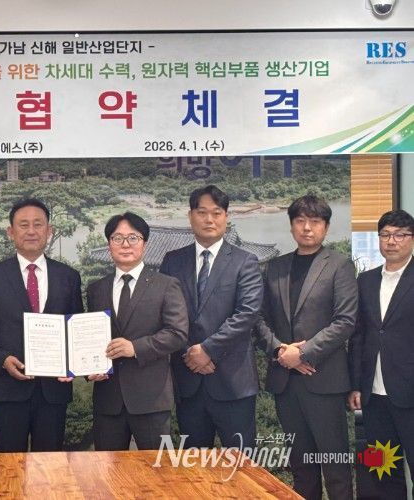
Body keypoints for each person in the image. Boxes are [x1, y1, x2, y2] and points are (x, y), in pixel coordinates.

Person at [255, 195, 356, 500]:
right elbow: (258, 318)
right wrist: (280, 352)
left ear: (326, 227)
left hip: (323, 380)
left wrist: (303, 353)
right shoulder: (275, 267)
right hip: (286, 383)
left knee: (336, 468)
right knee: (301, 468)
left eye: (315, 221)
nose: (307, 228)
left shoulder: (339, 265)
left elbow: (345, 321)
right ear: (291, 226)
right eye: (300, 221)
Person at [0, 198, 83, 452]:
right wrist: (2, 358)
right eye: (23, 225)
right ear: (11, 232)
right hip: (8, 389)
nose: (31, 231)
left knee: (50, 464)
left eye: (38, 224)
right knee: (10, 463)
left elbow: (76, 327)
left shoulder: (68, 276)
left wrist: (73, 364)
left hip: (53, 390)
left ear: (49, 230)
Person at [159, 184, 262, 449]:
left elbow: (247, 313)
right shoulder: (172, 261)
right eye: (202, 212)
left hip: (233, 383)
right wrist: (189, 353)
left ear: (226, 217)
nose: (209, 219)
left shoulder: (245, 261)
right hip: (188, 380)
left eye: (216, 213)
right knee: (194, 466)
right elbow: (166, 314)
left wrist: (207, 350)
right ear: (190, 216)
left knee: (241, 466)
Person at [86, 212, 188, 451]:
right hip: (108, 400)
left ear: (144, 244)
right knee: (107, 470)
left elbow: (177, 333)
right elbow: (89, 338)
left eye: (133, 238)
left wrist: (135, 348)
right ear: (109, 245)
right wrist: (88, 370)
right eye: (117, 238)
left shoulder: (166, 285)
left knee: (157, 469)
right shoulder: (96, 289)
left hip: (151, 399)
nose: (125, 244)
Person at [349, 209, 414, 499]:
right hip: (374, 398)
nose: (392, 241)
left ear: (412, 239)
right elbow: (358, 336)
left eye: (400, 235)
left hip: (410, 395)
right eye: (385, 234)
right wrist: (355, 385)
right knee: (381, 470)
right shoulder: (365, 280)